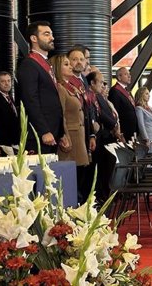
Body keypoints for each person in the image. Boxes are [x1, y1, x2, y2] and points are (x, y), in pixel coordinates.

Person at [17, 21, 70, 155]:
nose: (52, 38)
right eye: (46, 34)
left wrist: (60, 132)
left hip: (52, 132)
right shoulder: (29, 65)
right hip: (39, 135)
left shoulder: (44, 64)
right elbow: (31, 100)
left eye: (51, 34)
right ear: (34, 38)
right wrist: (44, 130)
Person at [51, 54, 92, 202]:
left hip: (79, 135)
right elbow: (61, 114)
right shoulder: (60, 88)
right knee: (73, 178)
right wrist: (65, 135)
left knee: (81, 174)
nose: (71, 67)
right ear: (57, 69)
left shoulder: (72, 86)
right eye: (66, 64)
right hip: (71, 137)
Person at [88, 70, 119, 203]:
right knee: (97, 171)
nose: (103, 85)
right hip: (99, 137)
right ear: (92, 83)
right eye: (101, 82)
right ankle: (98, 197)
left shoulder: (98, 97)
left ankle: (102, 195)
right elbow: (100, 116)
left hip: (103, 136)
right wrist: (113, 125)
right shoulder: (93, 97)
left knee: (102, 170)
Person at [109, 67, 138, 142]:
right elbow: (115, 113)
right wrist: (119, 132)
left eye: (129, 74)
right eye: (126, 74)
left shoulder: (127, 90)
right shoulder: (115, 91)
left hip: (131, 131)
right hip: (124, 132)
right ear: (119, 77)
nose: (129, 76)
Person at [134, 86, 152, 152]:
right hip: (147, 138)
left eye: (149, 93)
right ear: (141, 95)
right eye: (146, 93)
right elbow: (141, 125)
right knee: (148, 157)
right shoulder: (139, 108)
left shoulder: (150, 108)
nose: (149, 95)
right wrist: (146, 139)